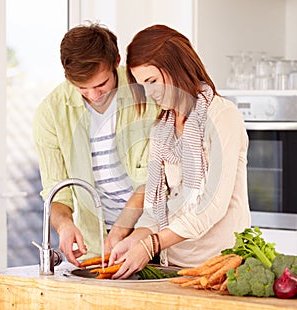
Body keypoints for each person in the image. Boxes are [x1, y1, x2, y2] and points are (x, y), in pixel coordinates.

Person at [108, 24, 251, 279]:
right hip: (173, 267)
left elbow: (213, 205)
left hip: (221, 267)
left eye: (152, 81)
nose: (149, 92)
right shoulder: (161, 130)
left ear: (176, 66)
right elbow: (157, 203)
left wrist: (151, 244)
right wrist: (138, 237)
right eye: (143, 85)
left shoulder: (221, 116)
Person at [33, 22, 159, 266]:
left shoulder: (145, 88)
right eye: (83, 88)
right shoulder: (51, 112)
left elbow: (158, 179)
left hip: (155, 236)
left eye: (101, 85)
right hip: (100, 248)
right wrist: (65, 225)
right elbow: (56, 190)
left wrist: (122, 233)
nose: (94, 95)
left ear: (116, 62)